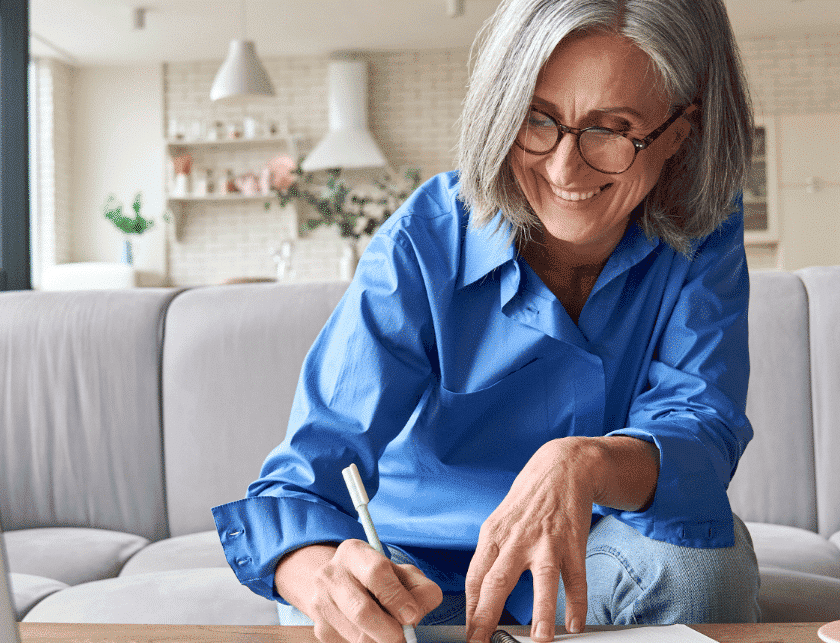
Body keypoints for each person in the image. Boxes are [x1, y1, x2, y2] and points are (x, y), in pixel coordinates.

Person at [212, 0, 760, 641]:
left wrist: (581, 463)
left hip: (587, 564)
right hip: (413, 573)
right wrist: (319, 576)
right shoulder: (426, 237)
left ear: (679, 132)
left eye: (611, 130)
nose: (563, 169)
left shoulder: (705, 224)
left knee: (704, 570)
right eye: (537, 120)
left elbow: (700, 429)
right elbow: (305, 476)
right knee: (328, 595)